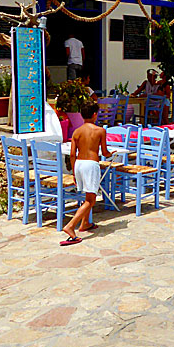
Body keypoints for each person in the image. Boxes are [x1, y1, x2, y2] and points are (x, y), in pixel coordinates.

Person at [61, 102, 113, 246]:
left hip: (78, 164)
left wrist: (73, 172)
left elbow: (72, 154)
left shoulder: (76, 132)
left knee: (86, 195)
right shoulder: (100, 131)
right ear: (95, 114)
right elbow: (104, 152)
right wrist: (111, 154)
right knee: (91, 199)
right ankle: (71, 226)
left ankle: (85, 223)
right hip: (91, 164)